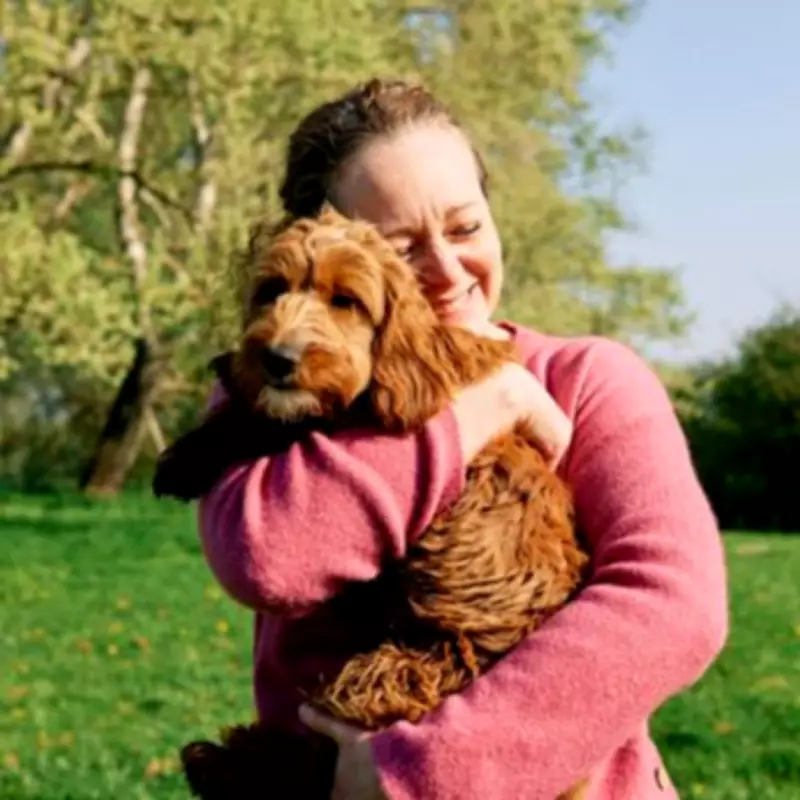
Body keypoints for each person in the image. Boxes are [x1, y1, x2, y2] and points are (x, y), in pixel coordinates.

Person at [197, 78, 728, 800]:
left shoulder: (585, 378)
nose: (447, 272)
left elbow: (673, 605)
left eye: (466, 227)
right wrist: (482, 407)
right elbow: (268, 558)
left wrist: (424, 771)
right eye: (400, 248)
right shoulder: (276, 385)